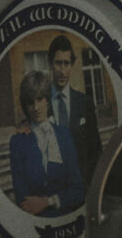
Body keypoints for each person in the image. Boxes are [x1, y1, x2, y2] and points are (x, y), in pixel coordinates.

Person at [6, 68, 83, 215]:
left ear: (48, 99)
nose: (36, 107)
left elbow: (78, 190)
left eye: (40, 99)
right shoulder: (18, 141)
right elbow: (23, 199)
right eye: (30, 102)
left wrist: (49, 201)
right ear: (24, 104)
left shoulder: (64, 135)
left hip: (65, 220)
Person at [47, 34, 103, 179]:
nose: (62, 70)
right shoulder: (40, 103)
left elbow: (95, 150)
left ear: (71, 65)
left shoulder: (85, 102)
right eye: (58, 63)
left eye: (66, 63)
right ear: (50, 65)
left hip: (81, 189)